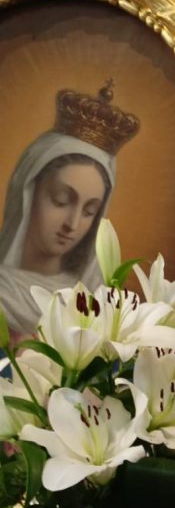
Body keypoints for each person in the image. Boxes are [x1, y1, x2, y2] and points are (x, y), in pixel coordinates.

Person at [0, 84, 139, 339]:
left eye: (89, 211)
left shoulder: (97, 305)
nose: (72, 224)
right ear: (28, 193)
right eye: (61, 201)